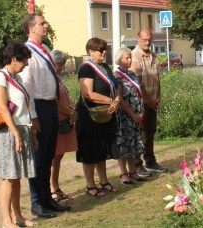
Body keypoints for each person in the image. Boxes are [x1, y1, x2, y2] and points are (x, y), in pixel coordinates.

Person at [20, 13, 70, 218]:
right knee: (39, 156)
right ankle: (37, 201)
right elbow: (27, 87)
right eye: (41, 23)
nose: (45, 26)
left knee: (49, 154)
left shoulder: (46, 49)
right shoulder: (28, 52)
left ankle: (47, 197)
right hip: (38, 107)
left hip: (50, 106)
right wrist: (33, 116)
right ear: (31, 28)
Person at [0, 42, 37, 228]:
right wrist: (16, 133)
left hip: (22, 129)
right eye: (24, 60)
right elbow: (2, 107)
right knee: (8, 177)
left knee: (17, 176)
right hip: (9, 132)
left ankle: (18, 216)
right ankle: (6, 220)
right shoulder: (0, 77)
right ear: (13, 59)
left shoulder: (16, 78)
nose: (26, 64)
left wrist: (31, 132)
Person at [76, 38, 120, 197]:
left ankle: (104, 181)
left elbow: (116, 85)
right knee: (90, 151)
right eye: (100, 50)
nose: (104, 52)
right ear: (91, 52)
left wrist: (117, 99)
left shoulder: (105, 67)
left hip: (105, 114)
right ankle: (90, 185)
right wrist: (111, 101)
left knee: (102, 150)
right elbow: (88, 94)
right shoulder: (86, 69)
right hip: (90, 117)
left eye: (105, 49)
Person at [130, 29, 168, 173]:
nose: (147, 42)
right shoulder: (134, 57)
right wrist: (147, 100)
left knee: (150, 132)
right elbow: (137, 83)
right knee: (139, 133)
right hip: (140, 103)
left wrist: (158, 97)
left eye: (149, 39)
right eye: (144, 40)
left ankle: (150, 161)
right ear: (138, 38)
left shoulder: (153, 56)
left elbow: (157, 79)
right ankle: (137, 164)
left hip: (152, 101)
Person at [113, 47, 148, 185]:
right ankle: (123, 173)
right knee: (123, 144)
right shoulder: (116, 77)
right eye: (126, 58)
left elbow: (139, 93)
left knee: (133, 144)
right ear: (119, 59)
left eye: (130, 58)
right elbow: (119, 99)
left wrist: (141, 112)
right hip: (125, 116)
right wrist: (133, 114)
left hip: (136, 115)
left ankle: (133, 171)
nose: (129, 60)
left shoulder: (132, 74)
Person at [50, 50, 78, 204]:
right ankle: (52, 188)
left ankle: (55, 185)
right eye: (59, 65)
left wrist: (71, 111)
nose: (61, 68)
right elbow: (56, 101)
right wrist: (71, 112)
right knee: (54, 156)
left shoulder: (58, 78)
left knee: (59, 156)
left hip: (65, 119)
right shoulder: (50, 79)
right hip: (57, 119)